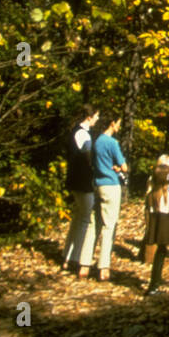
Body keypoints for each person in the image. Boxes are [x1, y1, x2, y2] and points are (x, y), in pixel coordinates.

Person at [62, 103, 99, 276]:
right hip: (82, 182)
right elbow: (87, 160)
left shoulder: (74, 132)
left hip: (74, 181)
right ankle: (76, 258)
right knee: (85, 219)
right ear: (89, 117)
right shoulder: (83, 134)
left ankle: (67, 257)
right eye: (96, 116)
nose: (97, 120)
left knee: (77, 218)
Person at [92, 116, 129, 281]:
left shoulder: (96, 141)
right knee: (109, 226)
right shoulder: (112, 143)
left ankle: (84, 264)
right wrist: (119, 167)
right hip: (111, 185)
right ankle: (103, 267)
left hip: (97, 184)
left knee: (94, 224)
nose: (119, 126)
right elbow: (124, 166)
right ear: (112, 123)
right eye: (118, 123)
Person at [143, 155, 169, 295]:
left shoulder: (153, 194)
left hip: (155, 221)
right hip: (165, 223)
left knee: (160, 252)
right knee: (161, 253)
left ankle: (155, 282)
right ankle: (154, 285)